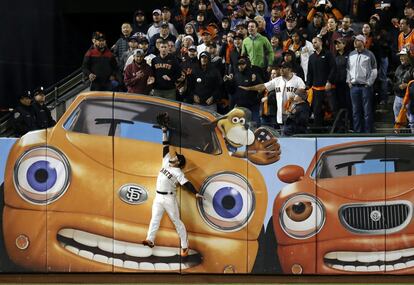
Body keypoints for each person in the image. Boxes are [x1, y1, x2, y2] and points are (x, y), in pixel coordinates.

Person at [143, 112, 203, 257]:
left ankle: (185, 246)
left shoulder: (178, 173)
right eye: (174, 156)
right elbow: (165, 145)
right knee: (154, 219)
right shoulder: (166, 161)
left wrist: (195, 193)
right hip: (158, 197)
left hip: (169, 199)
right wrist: (164, 131)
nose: (173, 156)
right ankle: (150, 240)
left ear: (179, 163)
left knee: (177, 222)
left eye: (176, 157)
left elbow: (187, 184)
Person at [240, 61, 306, 128]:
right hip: (281, 114)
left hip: (293, 114)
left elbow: (303, 94)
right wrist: (249, 88)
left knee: (291, 134)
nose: (281, 70)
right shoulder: (277, 80)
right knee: (282, 134)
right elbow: (263, 86)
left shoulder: (298, 80)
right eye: (280, 68)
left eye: (283, 68)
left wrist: (295, 98)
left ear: (289, 69)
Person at [347, 34, 378, 133]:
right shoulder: (351, 54)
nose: (355, 42)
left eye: (358, 40)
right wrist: (349, 81)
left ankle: (368, 132)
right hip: (354, 87)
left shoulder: (370, 54)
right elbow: (348, 69)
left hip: (365, 87)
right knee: (356, 111)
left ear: (363, 42)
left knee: (367, 111)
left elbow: (374, 70)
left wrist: (369, 83)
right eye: (354, 40)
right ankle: (358, 132)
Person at [306, 36, 336, 128]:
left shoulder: (328, 54)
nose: (314, 44)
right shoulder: (311, 57)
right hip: (316, 88)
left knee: (333, 108)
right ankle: (317, 129)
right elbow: (309, 72)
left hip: (328, 87)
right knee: (317, 110)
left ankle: (338, 128)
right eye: (313, 43)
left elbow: (333, 68)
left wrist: (329, 81)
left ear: (321, 42)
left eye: (315, 42)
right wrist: (308, 85)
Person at [393, 47, 414, 132]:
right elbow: (394, 83)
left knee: (411, 120)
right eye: (400, 55)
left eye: (403, 55)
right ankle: (399, 137)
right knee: (398, 120)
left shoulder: (412, 68)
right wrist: (398, 87)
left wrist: (408, 85)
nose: (401, 58)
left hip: (409, 99)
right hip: (398, 97)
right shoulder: (398, 68)